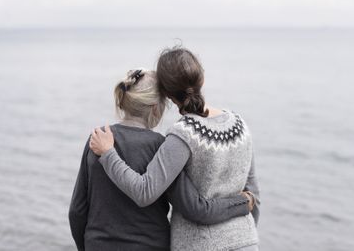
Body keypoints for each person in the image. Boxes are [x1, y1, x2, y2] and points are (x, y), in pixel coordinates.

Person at [90, 48, 260, 251]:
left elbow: (144, 191)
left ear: (167, 95)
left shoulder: (182, 134)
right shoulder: (239, 124)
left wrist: (109, 154)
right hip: (247, 242)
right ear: (202, 78)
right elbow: (254, 196)